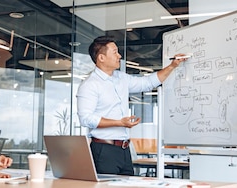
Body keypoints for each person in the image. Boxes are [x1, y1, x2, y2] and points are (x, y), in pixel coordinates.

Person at [76, 36, 188, 175]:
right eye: (115, 52)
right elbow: (86, 119)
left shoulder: (121, 78)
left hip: (124, 150)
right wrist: (119, 123)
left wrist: (172, 66)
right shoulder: (89, 85)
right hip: (103, 150)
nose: (119, 56)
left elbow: (147, 83)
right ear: (101, 58)